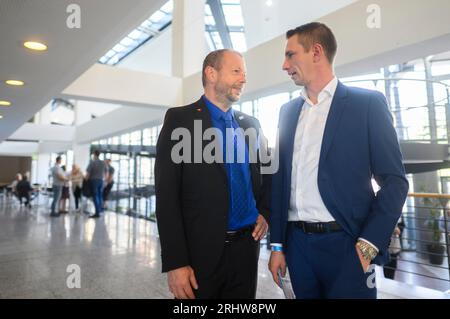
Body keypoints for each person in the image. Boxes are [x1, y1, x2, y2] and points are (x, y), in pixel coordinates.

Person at [268, 22, 409, 299]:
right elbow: (280, 182)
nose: (284, 65)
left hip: (348, 246)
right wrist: (276, 246)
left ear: (316, 52)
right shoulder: (287, 112)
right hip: (297, 248)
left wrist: (367, 246)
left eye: (290, 54)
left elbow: (395, 182)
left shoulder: (366, 105)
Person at [155, 49, 270, 299]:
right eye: (236, 71)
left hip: (246, 252)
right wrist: (176, 262)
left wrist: (264, 212)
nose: (243, 79)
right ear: (211, 73)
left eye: (245, 73)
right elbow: (167, 196)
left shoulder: (251, 124)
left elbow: (267, 174)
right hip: (199, 256)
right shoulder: (180, 120)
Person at [86, 150, 107, 218]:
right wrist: (104, 179)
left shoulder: (92, 162)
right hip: (101, 181)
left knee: (95, 196)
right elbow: (106, 172)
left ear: (94, 154)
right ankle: (100, 210)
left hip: (94, 181)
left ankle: (97, 212)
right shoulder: (103, 163)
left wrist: (86, 180)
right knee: (100, 196)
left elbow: (88, 173)